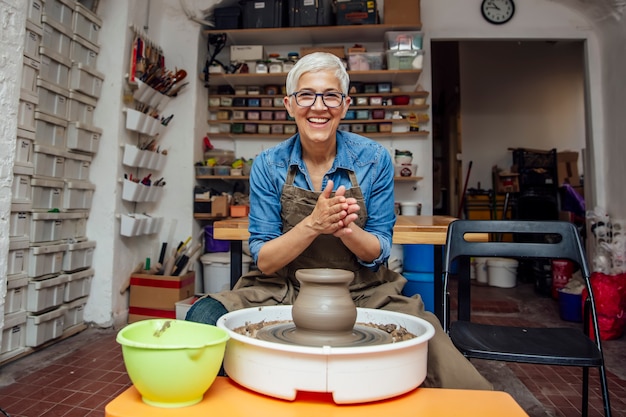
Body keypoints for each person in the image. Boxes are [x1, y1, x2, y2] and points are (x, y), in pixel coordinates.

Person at [187, 52, 492, 390]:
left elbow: (379, 249)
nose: (319, 107)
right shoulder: (268, 165)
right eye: (306, 95)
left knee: (438, 352)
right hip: (280, 288)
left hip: (363, 289)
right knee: (202, 318)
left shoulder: (373, 159)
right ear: (289, 104)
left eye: (330, 95)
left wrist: (347, 230)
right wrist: (313, 224)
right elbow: (265, 260)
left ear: (345, 105)